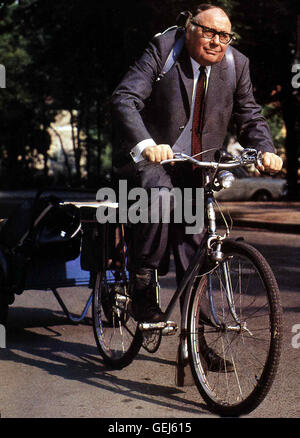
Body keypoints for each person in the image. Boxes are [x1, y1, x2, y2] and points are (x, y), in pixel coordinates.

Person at [111, 4, 283, 325]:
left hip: (195, 166)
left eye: (224, 35)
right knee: (160, 198)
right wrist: (147, 145)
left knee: (195, 242)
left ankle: (199, 339)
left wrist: (263, 150)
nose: (217, 41)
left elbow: (250, 115)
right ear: (190, 28)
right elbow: (125, 98)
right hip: (153, 159)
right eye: (209, 32)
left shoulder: (235, 64)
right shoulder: (163, 49)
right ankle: (143, 285)